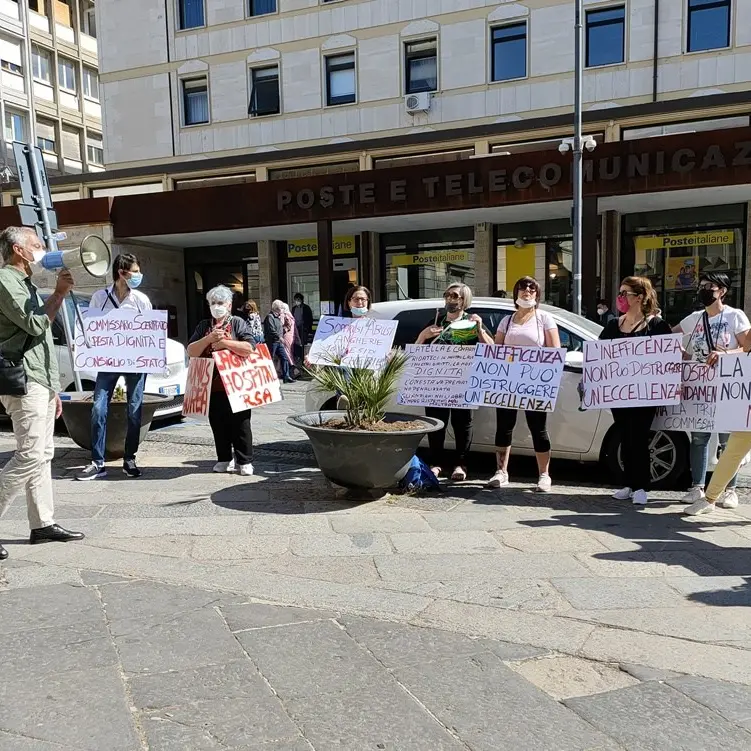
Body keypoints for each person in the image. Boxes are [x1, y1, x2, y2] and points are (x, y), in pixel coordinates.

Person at [0, 227, 85, 559]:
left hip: (39, 382)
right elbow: (35, 325)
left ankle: (42, 523)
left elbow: (39, 340)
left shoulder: (26, 283)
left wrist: (52, 390)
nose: (43, 250)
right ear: (19, 251)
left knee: (43, 454)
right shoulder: (6, 281)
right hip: (23, 382)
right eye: (37, 245)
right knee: (30, 454)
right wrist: (60, 293)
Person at [674, 272, 750, 514]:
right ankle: (698, 487)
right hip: (700, 387)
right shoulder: (695, 318)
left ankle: (730, 490)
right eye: (702, 286)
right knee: (699, 437)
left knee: (730, 441)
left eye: (711, 286)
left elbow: (747, 348)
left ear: (723, 291)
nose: (705, 289)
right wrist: (681, 353)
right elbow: (669, 334)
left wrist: (726, 354)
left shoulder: (734, 316)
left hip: (730, 387)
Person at [77, 253, 152, 481]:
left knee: (134, 409)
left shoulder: (141, 300)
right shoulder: (100, 297)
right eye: (135, 271)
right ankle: (97, 462)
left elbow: (150, 330)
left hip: (135, 362)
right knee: (98, 408)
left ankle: (129, 458)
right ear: (122, 273)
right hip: (108, 361)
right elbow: (91, 327)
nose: (138, 276)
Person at [599, 276, 672, 505]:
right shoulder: (613, 325)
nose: (620, 298)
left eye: (625, 293)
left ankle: (641, 486)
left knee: (639, 437)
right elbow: (600, 355)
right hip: (619, 394)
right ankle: (629, 484)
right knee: (624, 436)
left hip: (644, 394)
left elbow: (666, 358)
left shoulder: (657, 326)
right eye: (620, 293)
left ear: (640, 297)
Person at [487, 276, 561, 493]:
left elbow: (555, 351)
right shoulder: (506, 321)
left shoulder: (544, 319)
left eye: (531, 288)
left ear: (537, 294)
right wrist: (482, 331)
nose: (527, 290)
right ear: (516, 294)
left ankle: (544, 475)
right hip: (508, 382)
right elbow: (496, 350)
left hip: (535, 382)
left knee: (538, 428)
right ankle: (501, 471)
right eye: (522, 287)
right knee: (504, 426)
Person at [416, 283, 493, 481]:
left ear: (464, 300)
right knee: (436, 424)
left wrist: (480, 330)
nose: (450, 299)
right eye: (447, 295)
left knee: (462, 424)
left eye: (455, 296)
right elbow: (415, 351)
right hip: (435, 384)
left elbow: (493, 350)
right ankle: (436, 464)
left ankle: (461, 464)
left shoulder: (471, 322)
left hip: (463, 383)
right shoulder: (435, 321)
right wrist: (423, 336)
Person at [186, 285, 256, 475]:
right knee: (218, 423)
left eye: (220, 303)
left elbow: (250, 347)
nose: (217, 306)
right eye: (213, 303)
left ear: (229, 305)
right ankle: (224, 458)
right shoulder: (203, 326)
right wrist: (208, 339)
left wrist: (225, 343)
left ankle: (245, 460)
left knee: (241, 424)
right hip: (211, 385)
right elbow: (191, 351)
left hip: (237, 383)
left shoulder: (238, 323)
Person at [264, 300, 293, 383]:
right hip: (272, 342)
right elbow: (271, 330)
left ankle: (286, 376)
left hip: (279, 342)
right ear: (277, 308)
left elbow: (280, 328)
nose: (283, 310)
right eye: (281, 308)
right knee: (270, 359)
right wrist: (279, 337)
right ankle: (269, 377)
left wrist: (285, 329)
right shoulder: (270, 317)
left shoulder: (278, 317)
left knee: (284, 357)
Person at [292, 293, 313, 365]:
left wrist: (308, 329)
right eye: (296, 300)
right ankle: (298, 360)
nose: (297, 301)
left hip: (303, 330)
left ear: (301, 300)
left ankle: (304, 361)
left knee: (303, 345)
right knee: (297, 345)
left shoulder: (306, 308)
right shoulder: (294, 308)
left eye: (298, 300)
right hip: (296, 330)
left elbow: (310, 319)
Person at [280, 302, 298, 374]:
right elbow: (295, 329)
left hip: (286, 336)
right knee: (290, 352)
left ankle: (293, 368)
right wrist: (297, 339)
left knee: (286, 353)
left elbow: (281, 325)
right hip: (292, 337)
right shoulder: (291, 316)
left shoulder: (285, 316)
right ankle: (292, 369)